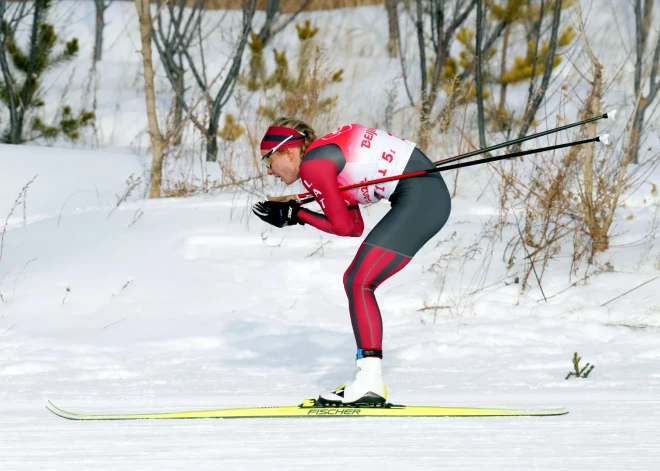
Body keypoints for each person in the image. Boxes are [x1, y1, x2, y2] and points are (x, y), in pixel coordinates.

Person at [253, 117, 451, 407]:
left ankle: (369, 382)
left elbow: (345, 228)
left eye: (268, 160)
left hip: (421, 199)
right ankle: (368, 379)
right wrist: (297, 213)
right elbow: (354, 226)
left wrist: (297, 215)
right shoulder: (325, 156)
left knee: (359, 281)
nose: (269, 171)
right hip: (425, 196)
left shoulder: (313, 166)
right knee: (358, 281)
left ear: (288, 151)